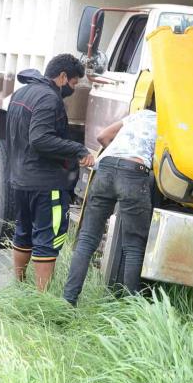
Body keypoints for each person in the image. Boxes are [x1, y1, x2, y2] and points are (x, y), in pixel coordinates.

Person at [6, 55, 94, 291]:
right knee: (49, 238)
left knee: (23, 233)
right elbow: (40, 139)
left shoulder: (22, 93)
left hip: (20, 180)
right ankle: (41, 298)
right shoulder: (49, 98)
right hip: (46, 183)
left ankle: (19, 286)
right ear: (63, 76)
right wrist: (78, 149)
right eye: (74, 83)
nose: (72, 89)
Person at [63, 107, 157, 306]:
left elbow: (102, 136)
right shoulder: (169, 124)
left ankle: (68, 301)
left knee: (87, 239)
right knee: (133, 245)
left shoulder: (137, 116)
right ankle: (131, 309)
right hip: (134, 172)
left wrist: (117, 159)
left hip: (105, 168)